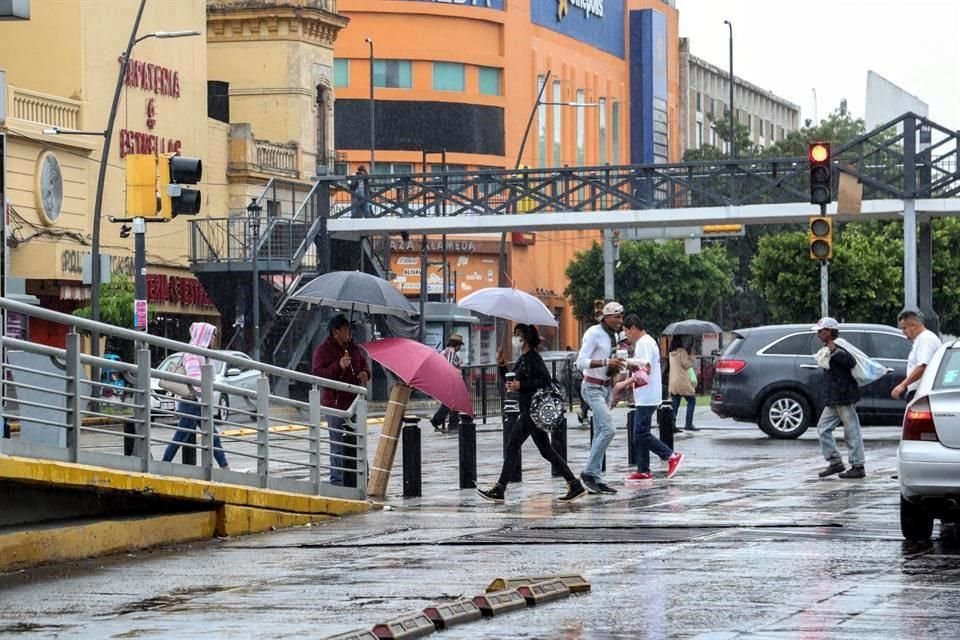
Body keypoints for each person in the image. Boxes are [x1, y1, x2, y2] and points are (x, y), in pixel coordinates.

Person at [476, 324, 587, 503]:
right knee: (546, 450)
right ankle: (574, 484)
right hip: (528, 410)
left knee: (512, 447)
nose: (515, 338)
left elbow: (544, 380)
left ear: (526, 337)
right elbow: (511, 379)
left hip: (531, 411)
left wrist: (522, 386)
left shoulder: (533, 358)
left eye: (517, 334)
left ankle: (500, 489)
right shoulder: (523, 358)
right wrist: (501, 363)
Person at [615, 315, 684, 481]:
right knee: (641, 432)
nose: (627, 336)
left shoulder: (644, 343)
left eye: (626, 331)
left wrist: (623, 383)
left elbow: (644, 369)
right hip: (647, 394)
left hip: (647, 395)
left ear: (633, 328)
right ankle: (643, 469)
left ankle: (671, 456)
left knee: (640, 433)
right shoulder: (649, 341)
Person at [312, 314, 371, 487]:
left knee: (359, 441)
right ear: (335, 332)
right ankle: (337, 481)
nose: (349, 333)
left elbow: (364, 366)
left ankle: (362, 478)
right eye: (345, 329)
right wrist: (338, 366)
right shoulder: (323, 350)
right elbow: (318, 375)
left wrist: (365, 373)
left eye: (350, 329)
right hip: (335, 404)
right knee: (337, 444)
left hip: (355, 403)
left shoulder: (355, 349)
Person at [162, 322, 230, 470]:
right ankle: (163, 463)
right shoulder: (193, 353)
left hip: (198, 402)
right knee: (184, 435)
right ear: (204, 335)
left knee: (210, 435)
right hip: (192, 402)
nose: (213, 340)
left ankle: (225, 466)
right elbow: (195, 380)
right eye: (212, 336)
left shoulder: (203, 354)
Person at [576, 301, 626, 495]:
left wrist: (615, 368)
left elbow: (609, 365)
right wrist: (606, 362)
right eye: (616, 317)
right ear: (606, 317)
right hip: (591, 387)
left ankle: (596, 476)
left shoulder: (612, 336)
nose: (620, 321)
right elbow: (580, 362)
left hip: (605, 387)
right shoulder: (593, 333)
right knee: (608, 429)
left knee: (599, 432)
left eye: (621, 317)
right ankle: (589, 472)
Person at [812, 317, 866, 479]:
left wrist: (835, 350)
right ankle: (835, 462)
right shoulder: (828, 348)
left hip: (844, 396)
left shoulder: (839, 346)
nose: (819, 334)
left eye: (822, 331)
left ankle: (858, 465)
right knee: (823, 428)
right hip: (834, 398)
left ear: (830, 332)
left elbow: (850, 362)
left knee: (851, 431)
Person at [891, 309, 942, 403]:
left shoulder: (926, 339)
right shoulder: (921, 339)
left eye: (904, 328)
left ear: (914, 326)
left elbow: (922, 366)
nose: (903, 332)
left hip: (922, 392)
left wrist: (902, 385)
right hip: (920, 391)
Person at [430, 334, 464, 433]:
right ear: (456, 345)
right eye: (459, 346)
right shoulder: (451, 352)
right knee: (451, 403)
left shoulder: (445, 351)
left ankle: (452, 423)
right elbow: (448, 366)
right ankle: (439, 421)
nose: (460, 348)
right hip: (450, 381)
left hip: (447, 381)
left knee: (453, 402)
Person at [668, 335, 699, 433]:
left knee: (675, 404)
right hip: (682, 381)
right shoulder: (682, 352)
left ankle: (672, 425)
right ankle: (688, 424)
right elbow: (687, 365)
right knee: (692, 400)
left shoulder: (671, 353)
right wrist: (692, 357)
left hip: (673, 382)